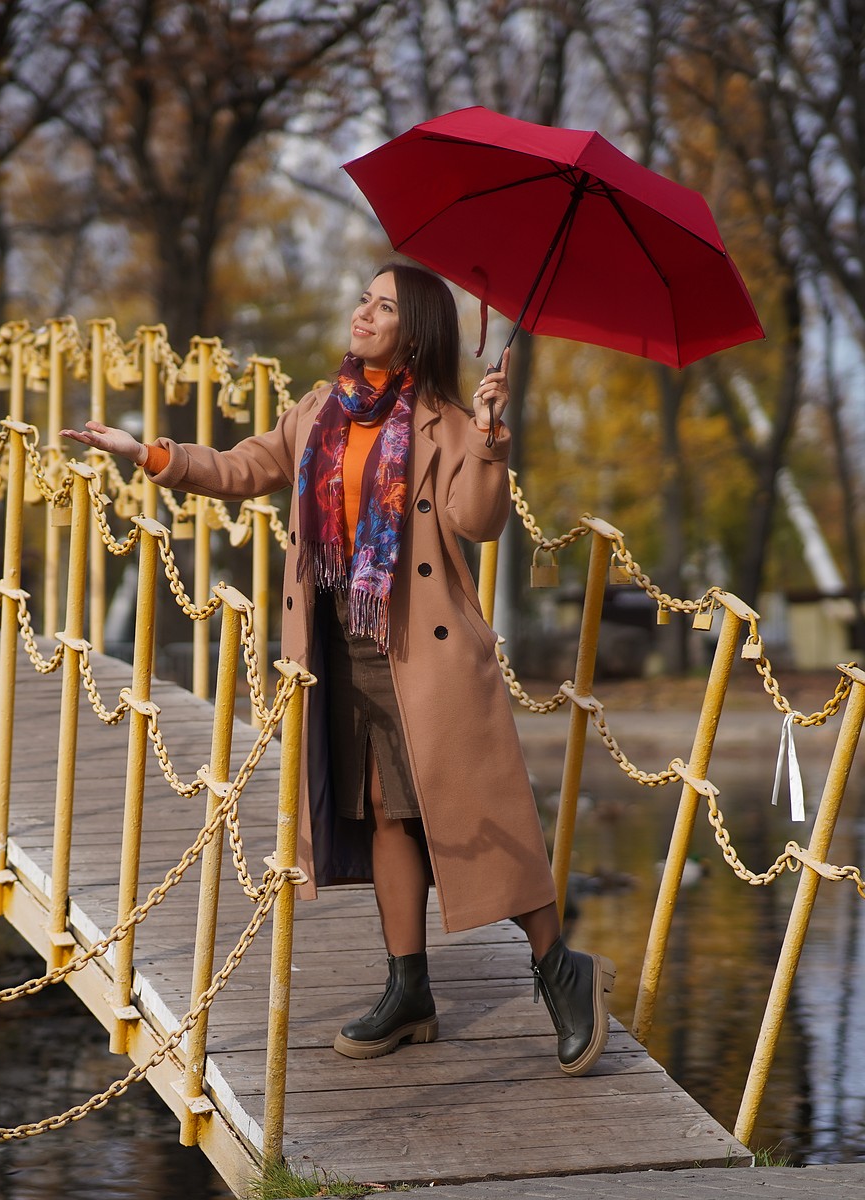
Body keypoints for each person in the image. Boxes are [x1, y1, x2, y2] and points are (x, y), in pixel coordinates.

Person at [61, 263, 615, 1077]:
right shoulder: (321, 408)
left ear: (416, 332)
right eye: (363, 297)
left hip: (427, 652)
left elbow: (478, 521)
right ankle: (408, 988)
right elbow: (245, 468)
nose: (363, 313)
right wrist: (148, 453)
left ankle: (560, 971)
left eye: (384, 307)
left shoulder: (447, 421)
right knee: (385, 809)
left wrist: (494, 436)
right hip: (341, 639)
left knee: (469, 813)